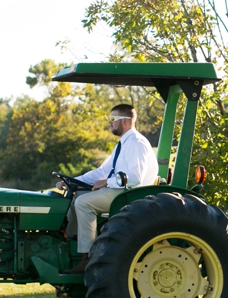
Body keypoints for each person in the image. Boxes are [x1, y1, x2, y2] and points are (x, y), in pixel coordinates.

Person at [62, 104, 157, 272]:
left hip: (130, 195)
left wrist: (106, 183)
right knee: (76, 195)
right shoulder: (122, 144)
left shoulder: (136, 143)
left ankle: (87, 256)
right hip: (120, 191)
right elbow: (102, 172)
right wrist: (71, 181)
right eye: (110, 119)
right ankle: (70, 242)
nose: (110, 123)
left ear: (126, 122)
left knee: (84, 203)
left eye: (113, 119)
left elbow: (135, 178)